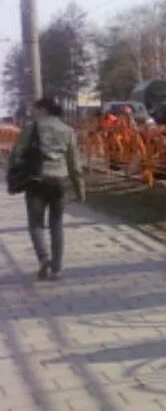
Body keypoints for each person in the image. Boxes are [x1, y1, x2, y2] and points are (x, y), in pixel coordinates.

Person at [7, 98, 86, 281]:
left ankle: (44, 258)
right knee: (56, 224)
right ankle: (57, 269)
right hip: (59, 181)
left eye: (35, 108)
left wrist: (13, 179)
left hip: (36, 180)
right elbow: (74, 164)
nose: (33, 112)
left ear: (43, 109)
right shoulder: (67, 131)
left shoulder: (31, 129)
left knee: (36, 223)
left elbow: (16, 154)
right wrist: (80, 190)